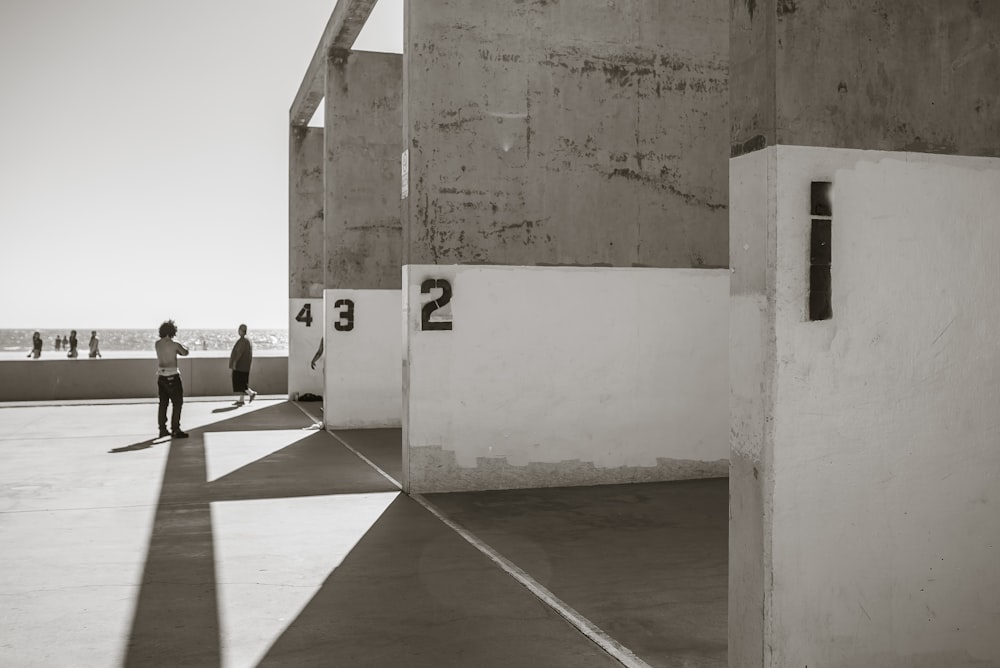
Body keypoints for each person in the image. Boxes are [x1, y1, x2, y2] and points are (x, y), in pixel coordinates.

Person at [155, 320, 190, 438]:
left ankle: (162, 429)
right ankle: (175, 428)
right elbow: (185, 352)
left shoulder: (157, 344)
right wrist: (184, 346)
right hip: (173, 377)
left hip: (161, 377)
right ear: (172, 331)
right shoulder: (175, 344)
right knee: (177, 403)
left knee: (163, 404)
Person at [228, 323, 257, 406]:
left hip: (240, 366)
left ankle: (251, 393)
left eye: (239, 330)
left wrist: (234, 363)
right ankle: (241, 400)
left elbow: (239, 353)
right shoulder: (247, 340)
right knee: (243, 382)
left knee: (240, 383)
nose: (238, 331)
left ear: (241, 331)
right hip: (245, 366)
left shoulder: (243, 341)